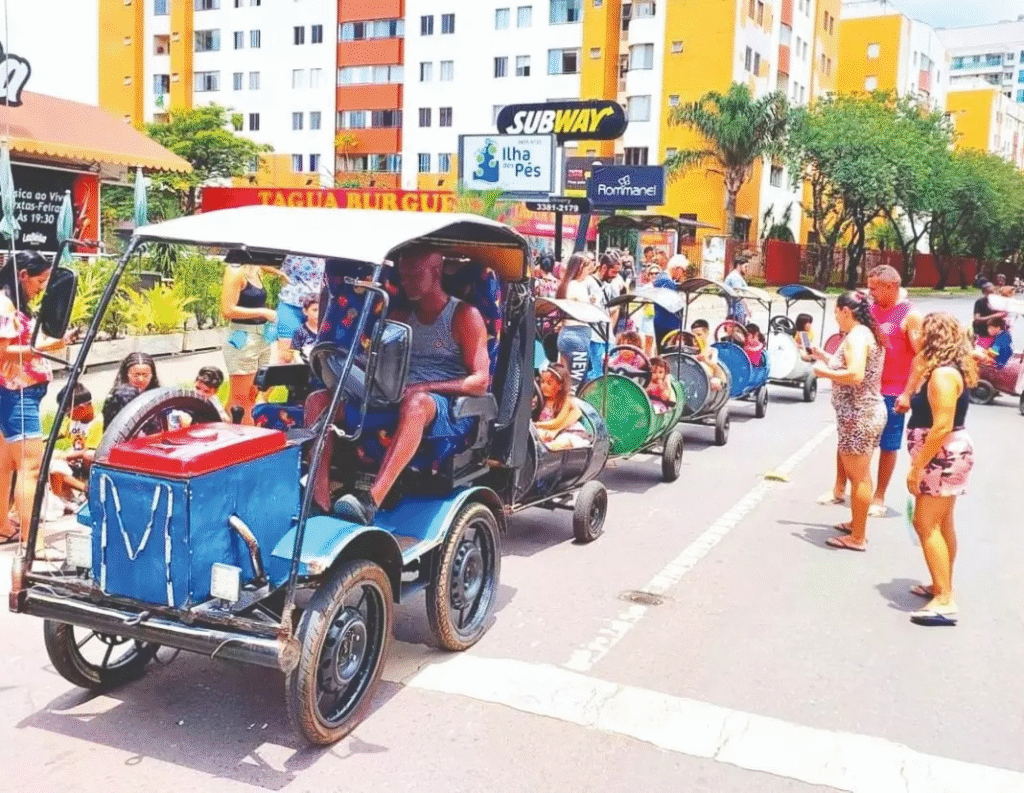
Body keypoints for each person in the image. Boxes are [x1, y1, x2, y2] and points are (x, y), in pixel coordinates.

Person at [331, 247, 490, 524]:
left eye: (414, 275)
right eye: (403, 276)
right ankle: (320, 496)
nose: (405, 282)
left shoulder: (464, 315)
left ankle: (372, 500)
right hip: (397, 394)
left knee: (415, 404)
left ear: (436, 272)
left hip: (444, 406)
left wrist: (426, 387)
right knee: (320, 402)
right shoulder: (401, 316)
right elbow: (382, 363)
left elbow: (479, 381)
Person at [905, 313, 977, 627]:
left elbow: (942, 426)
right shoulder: (944, 369)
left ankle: (944, 600)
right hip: (946, 454)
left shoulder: (943, 376)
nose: (916, 336)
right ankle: (941, 583)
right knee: (943, 521)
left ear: (933, 336)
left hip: (941, 455)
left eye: (921, 332)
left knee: (925, 523)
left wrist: (917, 467)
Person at [0, 251, 71, 544]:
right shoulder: (5, 305)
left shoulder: (13, 304)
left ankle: (4, 525)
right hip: (17, 393)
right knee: (30, 468)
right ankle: (33, 542)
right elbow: (2, 351)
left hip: (16, 391)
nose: (41, 287)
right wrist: (48, 348)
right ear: (22, 275)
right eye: (39, 281)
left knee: (5, 465)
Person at [809, 292, 887, 551]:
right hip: (865, 413)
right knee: (860, 475)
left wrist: (823, 372)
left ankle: (857, 537)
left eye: (836, 312)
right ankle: (857, 522)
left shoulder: (856, 337)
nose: (835, 318)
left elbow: (855, 374)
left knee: (860, 477)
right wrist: (824, 356)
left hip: (859, 415)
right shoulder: (864, 334)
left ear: (846, 311)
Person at [221, 253, 277, 425]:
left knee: (256, 392)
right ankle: (235, 440)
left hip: (261, 336)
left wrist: (280, 273)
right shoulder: (235, 271)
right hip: (243, 336)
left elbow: (268, 266)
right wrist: (262, 312)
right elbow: (227, 310)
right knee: (239, 400)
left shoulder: (255, 269)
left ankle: (244, 433)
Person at [273, 255, 324, 363]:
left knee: (316, 355)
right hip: (290, 303)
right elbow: (260, 262)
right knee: (286, 356)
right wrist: (280, 273)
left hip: (317, 307)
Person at [555, 253, 595, 386]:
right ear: (579, 268)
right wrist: (592, 303)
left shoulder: (565, 286)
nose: (588, 271)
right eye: (586, 267)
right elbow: (588, 311)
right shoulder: (577, 286)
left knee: (565, 379)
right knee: (574, 384)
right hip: (578, 335)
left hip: (565, 334)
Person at [534, 363, 591, 450]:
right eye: (542, 382)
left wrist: (535, 425)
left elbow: (557, 422)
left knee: (560, 443)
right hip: (548, 431)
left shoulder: (565, 401)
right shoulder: (540, 400)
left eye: (549, 383)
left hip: (567, 432)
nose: (544, 386)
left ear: (560, 386)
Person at [691, 319, 726, 391]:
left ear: (706, 334)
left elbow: (717, 371)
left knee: (715, 382)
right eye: (693, 335)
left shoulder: (712, 351)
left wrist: (706, 360)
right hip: (691, 378)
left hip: (706, 379)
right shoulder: (689, 349)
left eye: (699, 334)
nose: (696, 338)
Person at [286, 295, 320, 364]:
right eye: (314, 310)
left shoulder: (326, 329)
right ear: (305, 311)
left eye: (321, 310)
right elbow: (295, 353)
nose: (318, 313)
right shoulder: (300, 331)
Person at [972, 281, 1005, 349]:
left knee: (996, 355)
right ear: (984, 293)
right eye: (989, 292)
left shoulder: (998, 302)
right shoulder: (980, 302)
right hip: (984, 335)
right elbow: (977, 319)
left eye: (993, 292)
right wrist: (994, 316)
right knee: (985, 355)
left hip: (997, 335)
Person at [723, 256, 750, 325]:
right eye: (745, 266)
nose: (747, 269)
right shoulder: (734, 277)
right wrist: (748, 307)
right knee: (739, 329)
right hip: (736, 309)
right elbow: (739, 293)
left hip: (738, 308)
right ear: (738, 265)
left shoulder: (736, 276)